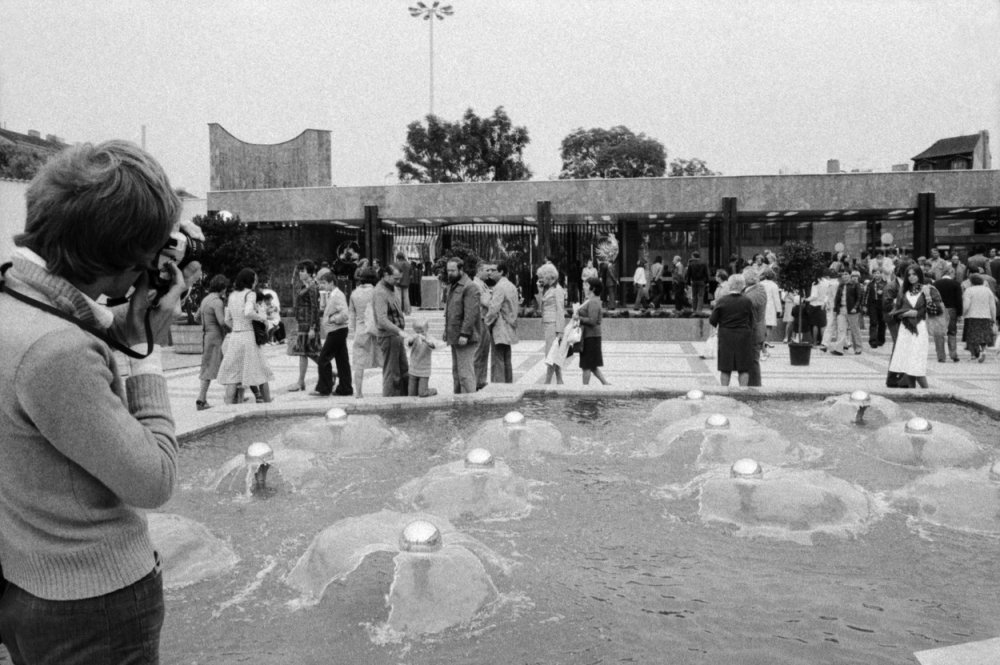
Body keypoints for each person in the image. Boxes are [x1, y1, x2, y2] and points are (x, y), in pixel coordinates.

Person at [0, 140, 189, 663]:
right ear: (128, 260)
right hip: (92, 604)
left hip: (29, 581)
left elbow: (60, 311)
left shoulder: (13, 303)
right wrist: (147, 354)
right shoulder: (56, 351)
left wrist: (120, 329)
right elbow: (154, 480)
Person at [217, 269, 274, 404]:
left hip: (235, 336)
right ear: (250, 280)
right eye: (254, 279)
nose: (256, 282)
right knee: (260, 372)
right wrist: (263, 319)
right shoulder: (250, 294)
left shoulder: (231, 295)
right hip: (248, 336)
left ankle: (228, 407)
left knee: (233, 375)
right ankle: (267, 404)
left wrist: (237, 326)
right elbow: (248, 312)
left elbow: (227, 320)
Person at [887, 264, 933, 388]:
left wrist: (927, 296)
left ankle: (927, 392)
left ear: (919, 275)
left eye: (914, 274)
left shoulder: (928, 289)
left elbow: (935, 310)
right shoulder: (903, 291)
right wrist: (905, 313)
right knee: (906, 362)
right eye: (909, 275)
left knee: (917, 361)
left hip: (920, 327)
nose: (912, 277)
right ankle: (912, 392)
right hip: (905, 329)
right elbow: (894, 312)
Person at [709, 274, 755, 387]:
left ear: (730, 285)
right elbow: (752, 320)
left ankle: (724, 391)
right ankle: (743, 392)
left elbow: (712, 320)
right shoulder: (747, 301)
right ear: (743, 286)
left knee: (725, 368)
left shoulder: (722, 301)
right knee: (743, 368)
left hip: (726, 336)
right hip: (743, 336)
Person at [443, 258, 482, 394]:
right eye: (448, 271)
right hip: (455, 335)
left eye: (453, 270)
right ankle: (458, 400)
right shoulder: (453, 285)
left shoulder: (469, 287)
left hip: (465, 337)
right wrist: (446, 331)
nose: (450, 273)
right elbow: (450, 311)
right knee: (457, 372)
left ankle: (470, 402)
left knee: (465, 373)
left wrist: (464, 333)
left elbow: (470, 314)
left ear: (461, 270)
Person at [372, 264, 409, 396]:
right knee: (392, 372)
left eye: (399, 279)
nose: (398, 282)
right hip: (388, 336)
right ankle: (390, 399)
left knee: (403, 369)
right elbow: (382, 319)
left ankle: (403, 397)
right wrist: (399, 331)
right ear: (386, 275)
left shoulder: (392, 288)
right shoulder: (380, 292)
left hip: (396, 336)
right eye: (395, 279)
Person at [314, 272, 353, 396]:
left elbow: (345, 314)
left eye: (324, 283)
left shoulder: (337, 295)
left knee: (323, 359)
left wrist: (332, 319)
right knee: (342, 360)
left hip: (337, 330)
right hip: (337, 330)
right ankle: (345, 388)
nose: (322, 285)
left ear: (331, 282)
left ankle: (325, 388)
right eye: (321, 283)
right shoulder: (333, 294)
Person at [195, 274, 230, 410]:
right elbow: (222, 321)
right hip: (217, 338)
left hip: (206, 336)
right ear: (222, 288)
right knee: (227, 364)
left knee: (207, 367)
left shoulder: (205, 300)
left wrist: (207, 324)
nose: (225, 291)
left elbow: (197, 317)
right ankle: (232, 395)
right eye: (225, 288)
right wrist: (232, 328)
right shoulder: (217, 302)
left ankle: (201, 399)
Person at [347, 266, 381, 399]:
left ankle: (359, 392)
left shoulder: (354, 293)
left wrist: (354, 329)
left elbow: (351, 314)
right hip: (377, 329)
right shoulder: (377, 292)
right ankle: (387, 389)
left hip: (361, 330)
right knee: (384, 360)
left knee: (359, 363)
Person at [287, 259, 321, 392]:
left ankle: (328, 371)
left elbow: (315, 308)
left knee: (310, 352)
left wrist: (313, 327)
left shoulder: (312, 287)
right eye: (300, 270)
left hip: (308, 324)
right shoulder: (305, 286)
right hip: (302, 323)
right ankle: (301, 381)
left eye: (303, 271)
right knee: (304, 352)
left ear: (310, 273)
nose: (300, 273)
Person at [485, 261, 519, 383]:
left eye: (493, 270)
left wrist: (486, 322)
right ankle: (508, 383)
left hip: (500, 326)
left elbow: (494, 308)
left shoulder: (499, 287)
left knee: (498, 358)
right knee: (506, 358)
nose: (490, 272)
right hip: (510, 325)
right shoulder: (511, 286)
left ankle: (499, 385)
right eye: (488, 270)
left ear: (501, 272)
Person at [574, 276, 611, 385]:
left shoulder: (593, 302)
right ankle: (606, 384)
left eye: (586, 285)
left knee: (586, 365)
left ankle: (584, 390)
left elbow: (592, 321)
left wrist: (578, 318)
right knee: (592, 365)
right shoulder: (589, 300)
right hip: (590, 336)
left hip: (591, 337)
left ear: (593, 288)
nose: (584, 287)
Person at [536, 262, 567, 385]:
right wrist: (539, 291)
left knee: (551, 353)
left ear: (551, 277)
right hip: (548, 324)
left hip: (554, 325)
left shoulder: (557, 290)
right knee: (553, 352)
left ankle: (547, 381)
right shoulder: (547, 289)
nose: (541, 279)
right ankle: (559, 380)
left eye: (543, 276)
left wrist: (560, 331)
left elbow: (560, 310)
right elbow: (541, 307)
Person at [962, 273, 997, 363]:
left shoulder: (969, 290)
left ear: (971, 282)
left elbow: (966, 305)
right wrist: (993, 317)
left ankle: (975, 354)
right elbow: (992, 305)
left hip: (972, 316)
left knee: (972, 336)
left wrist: (963, 313)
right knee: (984, 336)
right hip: (985, 316)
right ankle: (984, 351)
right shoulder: (987, 290)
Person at [829, 271, 865, 355]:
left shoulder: (855, 284)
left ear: (850, 276)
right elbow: (837, 298)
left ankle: (858, 348)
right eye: (843, 275)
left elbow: (859, 297)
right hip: (841, 309)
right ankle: (839, 349)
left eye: (846, 274)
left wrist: (855, 308)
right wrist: (835, 309)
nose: (844, 276)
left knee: (855, 330)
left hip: (852, 310)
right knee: (841, 329)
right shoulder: (840, 285)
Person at [741, 267, 767, 385]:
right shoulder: (748, 290)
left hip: (754, 331)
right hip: (749, 331)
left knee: (753, 362)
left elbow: (747, 304)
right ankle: (750, 386)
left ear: (748, 279)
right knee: (748, 362)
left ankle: (756, 388)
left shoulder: (758, 291)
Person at [932, 266, 962, 363]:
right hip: (951, 310)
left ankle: (941, 356)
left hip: (939, 309)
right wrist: (960, 313)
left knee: (939, 333)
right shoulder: (956, 284)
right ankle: (953, 354)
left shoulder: (936, 284)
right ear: (951, 272)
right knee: (952, 332)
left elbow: (932, 298)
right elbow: (959, 300)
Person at [472, 260, 493, 390]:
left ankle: (481, 380)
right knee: (479, 351)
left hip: (484, 320)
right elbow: (485, 302)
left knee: (485, 350)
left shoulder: (482, 284)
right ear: (479, 271)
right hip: (480, 319)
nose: (489, 273)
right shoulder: (476, 285)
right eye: (487, 270)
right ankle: (474, 380)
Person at [406, 319, 440, 397]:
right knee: (411, 394)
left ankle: (433, 391)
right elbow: (408, 344)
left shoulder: (429, 338)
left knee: (422, 393)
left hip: (424, 369)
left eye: (422, 332)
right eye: (417, 332)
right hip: (413, 368)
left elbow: (434, 345)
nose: (420, 334)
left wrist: (426, 340)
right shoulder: (413, 338)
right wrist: (412, 340)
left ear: (427, 329)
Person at [864, 268, 887, 349]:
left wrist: (883, 292)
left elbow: (889, 293)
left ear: (881, 274)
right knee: (873, 322)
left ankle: (881, 339)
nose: (876, 275)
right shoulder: (870, 284)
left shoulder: (885, 283)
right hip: (873, 305)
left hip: (882, 305)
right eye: (875, 273)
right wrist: (865, 305)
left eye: (878, 273)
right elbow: (866, 295)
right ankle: (873, 340)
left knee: (882, 323)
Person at [760, 267, 782, 349]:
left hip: (762, 305)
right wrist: (779, 309)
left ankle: (762, 341)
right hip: (770, 306)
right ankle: (767, 341)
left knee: (762, 324)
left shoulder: (760, 284)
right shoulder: (774, 285)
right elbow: (776, 298)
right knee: (769, 325)